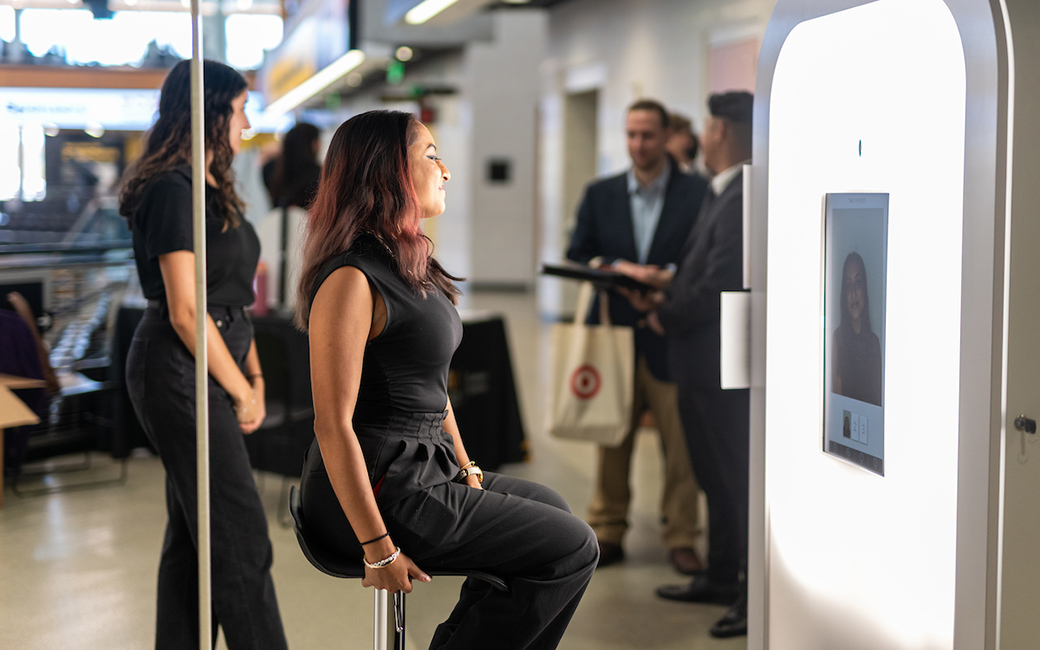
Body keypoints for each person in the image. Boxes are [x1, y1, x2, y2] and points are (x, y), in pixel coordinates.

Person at [296, 110, 597, 650]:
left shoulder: (411, 261)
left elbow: (436, 392)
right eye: (431, 155)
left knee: (555, 510)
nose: (446, 170)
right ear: (388, 172)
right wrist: (378, 548)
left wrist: (466, 467)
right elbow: (332, 424)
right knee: (571, 547)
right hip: (380, 486)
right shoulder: (350, 277)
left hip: (424, 466)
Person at [119, 59, 288, 650]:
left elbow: (234, 299)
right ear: (211, 112)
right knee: (240, 536)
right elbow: (188, 311)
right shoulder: (171, 190)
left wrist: (256, 374)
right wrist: (240, 390)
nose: (247, 123)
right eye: (241, 110)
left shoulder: (216, 186)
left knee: (196, 539)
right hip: (179, 373)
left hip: (222, 362)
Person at [620, 91, 754, 638]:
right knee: (713, 481)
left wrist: (662, 315)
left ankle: (748, 590)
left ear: (720, 132)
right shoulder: (725, 191)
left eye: (706, 127)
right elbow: (702, 273)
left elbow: (722, 284)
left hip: (721, 366)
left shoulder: (745, 193)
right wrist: (666, 287)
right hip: (701, 365)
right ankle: (721, 576)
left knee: (734, 483)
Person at [566, 98, 708, 574]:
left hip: (673, 334)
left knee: (682, 443)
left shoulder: (698, 193)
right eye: (631, 135)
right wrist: (616, 269)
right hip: (616, 334)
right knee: (611, 434)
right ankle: (607, 528)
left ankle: (682, 534)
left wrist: (667, 278)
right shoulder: (600, 193)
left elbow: (706, 261)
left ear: (667, 136)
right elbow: (577, 253)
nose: (638, 145)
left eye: (647, 135)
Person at [257, 122, 323, 310]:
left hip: (273, 236)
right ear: (313, 143)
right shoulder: (319, 174)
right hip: (308, 238)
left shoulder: (271, 170)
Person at [832, 252, 882, 406]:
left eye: (858, 283)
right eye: (848, 286)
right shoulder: (838, 340)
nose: (853, 292)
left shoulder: (874, 343)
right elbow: (838, 402)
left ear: (864, 289)